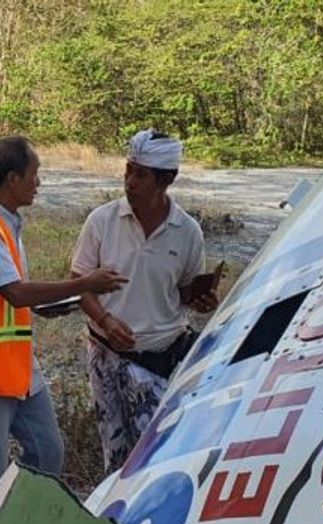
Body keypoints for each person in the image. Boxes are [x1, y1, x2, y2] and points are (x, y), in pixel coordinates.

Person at [0, 135, 127, 524]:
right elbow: (16, 292)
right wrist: (84, 283)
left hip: (18, 367)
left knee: (48, 452)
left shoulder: (7, 223)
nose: (39, 182)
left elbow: (17, 299)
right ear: (11, 179)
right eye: (34, 174)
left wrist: (78, 298)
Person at [71, 129, 219, 473]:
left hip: (158, 359)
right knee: (116, 457)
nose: (130, 182)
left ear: (167, 180)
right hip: (105, 354)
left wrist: (199, 299)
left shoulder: (187, 231)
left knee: (155, 460)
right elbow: (80, 284)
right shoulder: (102, 221)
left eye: (141, 174)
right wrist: (106, 321)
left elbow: (182, 291)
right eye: (128, 170)